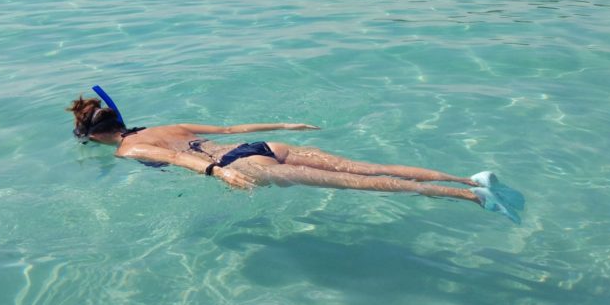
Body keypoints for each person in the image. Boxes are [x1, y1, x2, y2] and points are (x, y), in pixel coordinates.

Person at [67, 90, 524, 222]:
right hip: (263, 146)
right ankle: (471, 179)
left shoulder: (130, 148)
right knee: (368, 168)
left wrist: (213, 172)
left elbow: (184, 162)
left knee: (363, 184)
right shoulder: (161, 126)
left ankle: (476, 201)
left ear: (96, 136)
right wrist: (286, 125)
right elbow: (229, 128)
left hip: (238, 165)